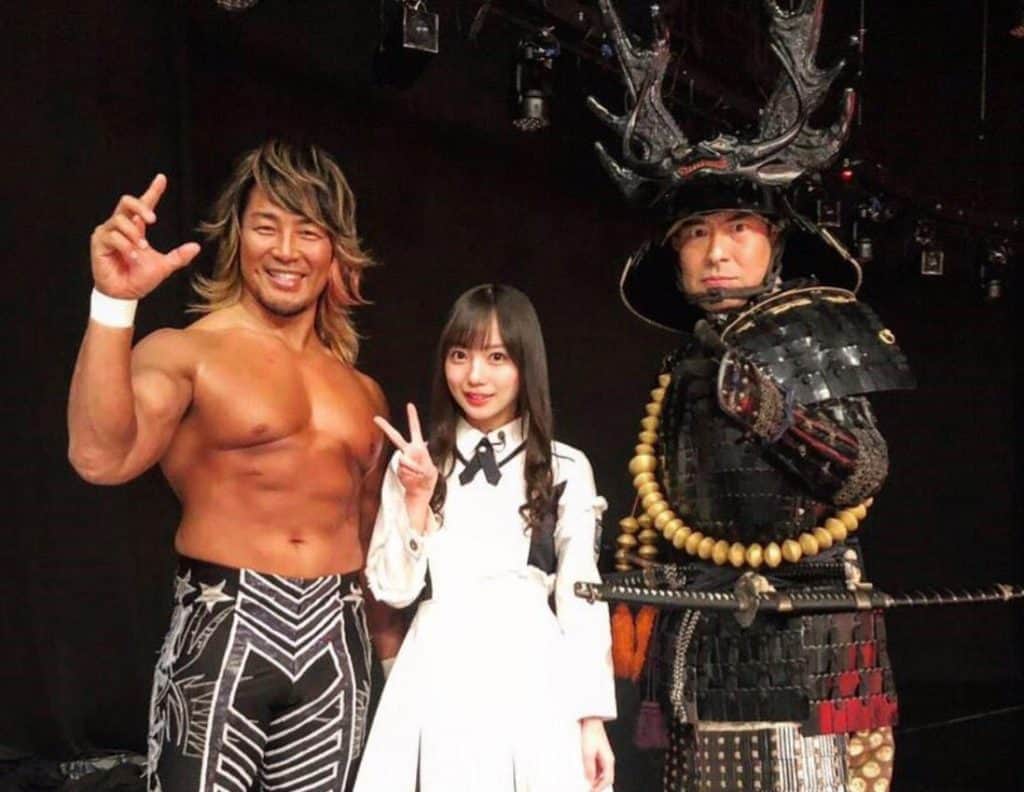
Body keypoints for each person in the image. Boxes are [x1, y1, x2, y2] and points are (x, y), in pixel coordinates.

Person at [587, 1, 914, 789]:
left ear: (775, 240)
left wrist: (775, 417)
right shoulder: (680, 368)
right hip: (704, 642)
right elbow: (673, 506)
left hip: (815, 641)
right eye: (695, 234)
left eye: (738, 226)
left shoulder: (811, 333)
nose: (717, 251)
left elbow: (864, 470)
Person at [67, 140, 403, 792]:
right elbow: (100, 456)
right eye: (266, 227)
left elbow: (372, 548)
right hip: (223, 637)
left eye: (309, 232)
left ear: (335, 251)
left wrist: (394, 666)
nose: (286, 251)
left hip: (337, 652)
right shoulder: (187, 352)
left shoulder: (363, 393)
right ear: (236, 235)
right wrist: (113, 303)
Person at [353, 284, 617, 792]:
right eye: (460, 355)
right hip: (436, 669)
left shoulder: (565, 466)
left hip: (534, 672)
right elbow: (392, 591)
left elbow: (581, 595)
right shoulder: (416, 462)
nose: (475, 376)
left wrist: (592, 720)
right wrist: (417, 497)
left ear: (525, 363)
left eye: (497, 357)